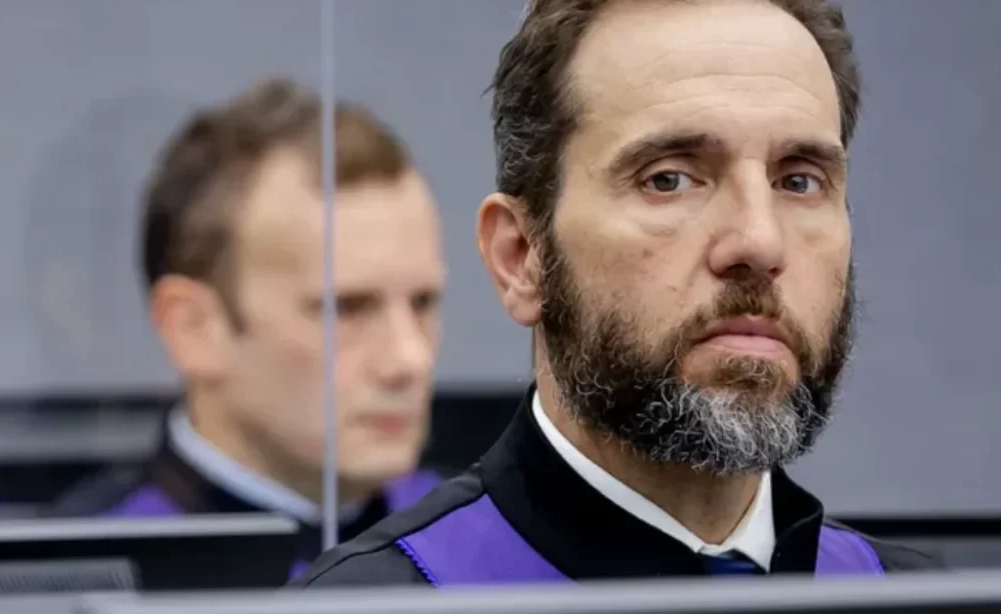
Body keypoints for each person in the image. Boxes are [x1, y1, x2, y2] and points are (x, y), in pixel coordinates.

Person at [298, 0, 942, 587]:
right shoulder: (380, 602)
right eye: (669, 179)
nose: (759, 241)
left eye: (799, 182)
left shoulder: (918, 599)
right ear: (521, 257)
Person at [49, 78, 447, 576]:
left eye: (423, 303)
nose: (410, 358)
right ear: (193, 328)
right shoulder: (83, 579)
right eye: (345, 309)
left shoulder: (490, 543)